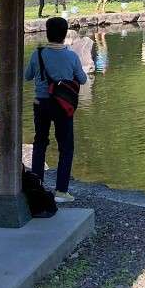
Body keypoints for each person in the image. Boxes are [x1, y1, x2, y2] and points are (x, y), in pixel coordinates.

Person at [25, 16, 87, 203]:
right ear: (65, 34)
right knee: (66, 147)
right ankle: (61, 190)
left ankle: (37, 185)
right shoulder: (71, 56)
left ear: (47, 33)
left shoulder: (38, 54)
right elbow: (82, 79)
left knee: (40, 142)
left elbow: (27, 76)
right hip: (63, 106)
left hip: (41, 103)